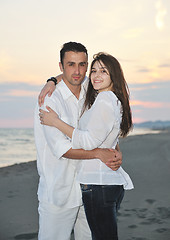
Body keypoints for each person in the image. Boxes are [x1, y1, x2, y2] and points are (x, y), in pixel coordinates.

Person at [39, 52, 134, 240]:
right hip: (104, 183)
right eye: (94, 71)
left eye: (103, 71)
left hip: (99, 184)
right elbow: (73, 76)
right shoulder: (109, 98)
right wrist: (51, 81)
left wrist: (56, 122)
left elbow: (89, 141)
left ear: (113, 75)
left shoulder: (105, 100)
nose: (96, 76)